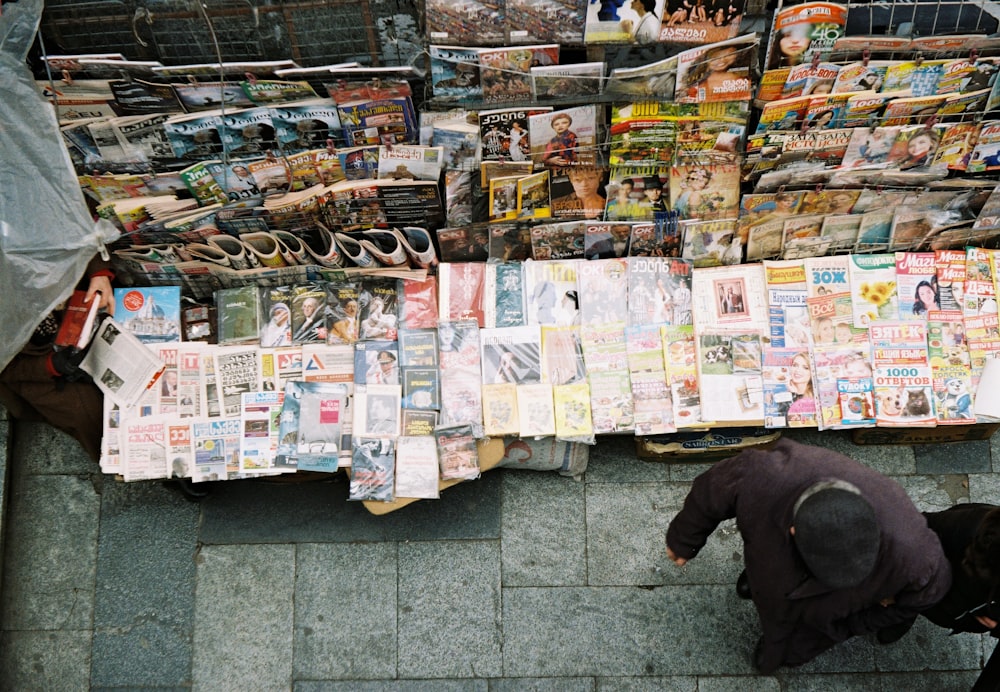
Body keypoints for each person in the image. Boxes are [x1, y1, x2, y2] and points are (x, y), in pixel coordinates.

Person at [665, 438, 952, 674]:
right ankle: (757, 588)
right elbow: (712, 490)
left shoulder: (917, 555)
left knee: (797, 647)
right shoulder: (764, 474)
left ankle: (781, 656)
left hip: (827, 619)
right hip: (773, 564)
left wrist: (854, 624)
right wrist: (684, 539)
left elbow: (928, 594)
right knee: (767, 580)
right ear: (793, 531)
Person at [0, 255, 113, 463]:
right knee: (87, 412)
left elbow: (79, 236)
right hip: (36, 364)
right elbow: (9, 369)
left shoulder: (21, 233)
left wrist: (99, 274)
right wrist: (53, 365)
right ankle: (117, 461)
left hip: (79, 310)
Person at [880, 503, 1000, 690]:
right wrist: (895, 587)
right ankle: (906, 613)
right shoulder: (971, 525)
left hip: (966, 613)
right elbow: (917, 529)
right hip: (936, 582)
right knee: (914, 595)